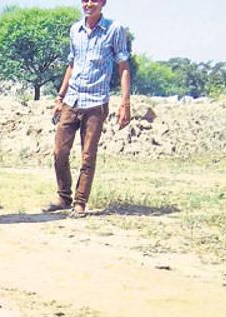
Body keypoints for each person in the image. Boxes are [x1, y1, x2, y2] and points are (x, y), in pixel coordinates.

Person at [42, 0, 131, 219]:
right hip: (72, 100)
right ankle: (64, 196)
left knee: (87, 155)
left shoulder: (114, 29)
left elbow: (123, 67)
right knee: (59, 152)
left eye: (94, 0)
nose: (88, 4)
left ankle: (80, 202)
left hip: (96, 101)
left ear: (103, 3)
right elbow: (71, 65)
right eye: (84, 0)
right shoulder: (75, 30)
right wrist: (60, 97)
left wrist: (125, 103)